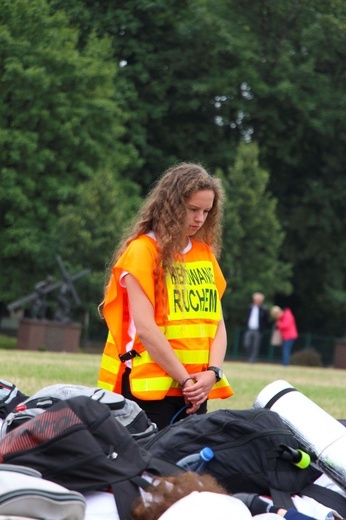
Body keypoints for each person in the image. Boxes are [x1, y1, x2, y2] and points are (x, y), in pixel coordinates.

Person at [98, 163, 234, 429]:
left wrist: (212, 373)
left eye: (206, 211)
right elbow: (146, 330)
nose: (199, 219)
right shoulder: (142, 251)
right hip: (150, 392)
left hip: (195, 389)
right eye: (192, 209)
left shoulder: (204, 254)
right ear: (170, 205)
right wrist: (186, 380)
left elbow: (216, 323)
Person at [243, 292, 270, 363]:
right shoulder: (250, 307)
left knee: (255, 346)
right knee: (247, 343)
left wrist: (263, 329)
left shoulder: (264, 309)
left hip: (258, 330)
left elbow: (266, 321)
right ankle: (249, 356)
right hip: (249, 329)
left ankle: (252, 360)